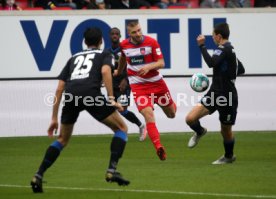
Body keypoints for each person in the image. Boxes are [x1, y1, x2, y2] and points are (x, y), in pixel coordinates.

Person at [30, 27, 130, 193]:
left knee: (62, 139)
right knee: (121, 128)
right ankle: (111, 171)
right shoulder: (104, 54)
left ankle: (38, 175)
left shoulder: (73, 58)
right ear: (101, 41)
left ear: (84, 42)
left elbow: (60, 87)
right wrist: (111, 98)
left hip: (71, 95)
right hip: (90, 93)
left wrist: (54, 118)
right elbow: (106, 70)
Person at [115, 20, 177, 161]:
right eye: (134, 32)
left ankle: (170, 105)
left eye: (139, 30)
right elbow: (123, 58)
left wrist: (149, 67)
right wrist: (118, 72)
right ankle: (159, 147)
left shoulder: (152, 42)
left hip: (157, 84)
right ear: (128, 33)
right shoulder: (124, 45)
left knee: (171, 114)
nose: (137, 34)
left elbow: (162, 63)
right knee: (148, 115)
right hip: (138, 86)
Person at [185, 23, 245, 165]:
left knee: (225, 130)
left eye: (213, 36)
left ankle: (228, 156)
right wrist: (227, 71)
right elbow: (241, 69)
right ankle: (200, 131)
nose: (212, 38)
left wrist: (201, 46)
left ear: (218, 36)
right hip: (214, 93)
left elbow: (211, 63)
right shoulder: (230, 50)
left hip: (227, 96)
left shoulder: (223, 49)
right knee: (190, 119)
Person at [106, 27, 147, 142]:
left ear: (120, 36)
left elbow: (132, 66)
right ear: (109, 36)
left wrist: (126, 79)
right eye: (112, 34)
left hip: (123, 84)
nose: (114, 35)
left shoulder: (125, 50)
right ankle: (121, 130)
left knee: (122, 109)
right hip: (112, 84)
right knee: (111, 109)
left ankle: (140, 125)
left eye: (116, 34)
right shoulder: (107, 52)